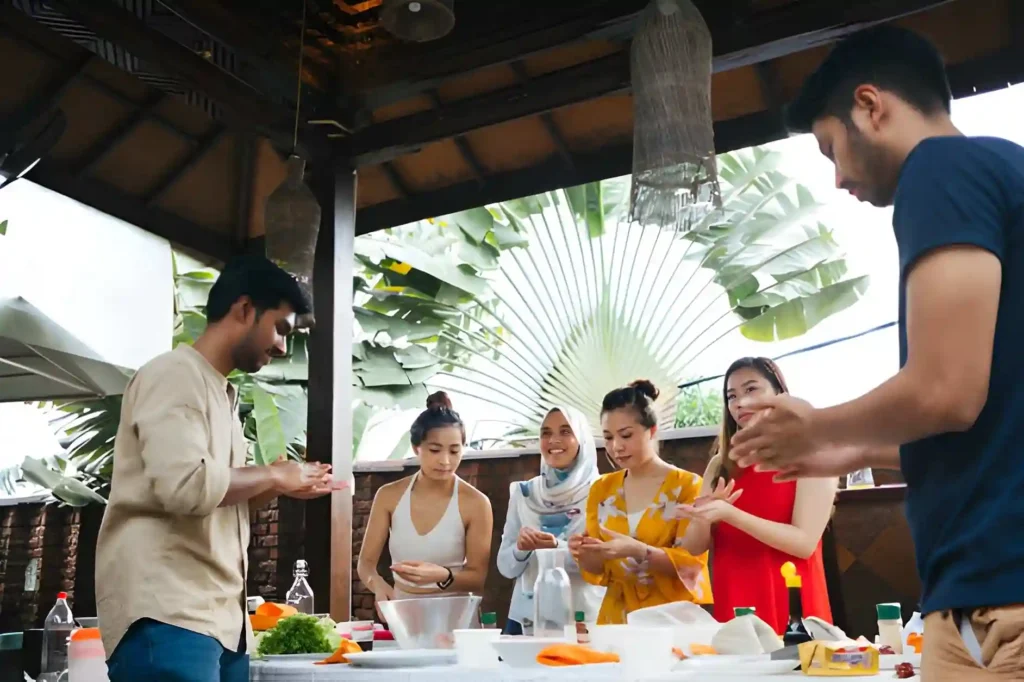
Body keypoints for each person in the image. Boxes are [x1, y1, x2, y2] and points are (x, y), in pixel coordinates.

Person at [727, 25, 1024, 679]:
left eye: (832, 148)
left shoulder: (942, 169)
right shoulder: (1004, 167)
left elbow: (946, 389)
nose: (836, 179)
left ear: (871, 105)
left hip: (1001, 595)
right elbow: (992, 418)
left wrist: (822, 423)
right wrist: (855, 449)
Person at [96, 255, 337, 682]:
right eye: (280, 328)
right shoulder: (174, 374)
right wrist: (274, 475)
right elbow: (186, 486)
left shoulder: (220, 392)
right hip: (168, 614)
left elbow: (214, 496)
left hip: (218, 622)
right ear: (244, 309)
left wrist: (276, 485)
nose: (282, 346)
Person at [675, 358, 835, 635]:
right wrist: (702, 518)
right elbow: (693, 547)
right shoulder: (720, 464)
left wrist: (730, 514)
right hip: (736, 606)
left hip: (793, 603)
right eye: (731, 396)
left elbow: (804, 543)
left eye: (751, 390)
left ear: (780, 395)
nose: (739, 402)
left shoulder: (814, 455)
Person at [569, 380, 711, 624]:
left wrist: (639, 551)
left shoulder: (688, 486)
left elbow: (691, 565)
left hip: (670, 620)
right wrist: (583, 553)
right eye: (608, 437)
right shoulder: (601, 489)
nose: (616, 447)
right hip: (617, 620)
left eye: (626, 435)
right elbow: (597, 570)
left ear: (652, 430)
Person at [357, 392, 493, 619]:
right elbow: (366, 564)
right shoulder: (389, 496)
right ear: (416, 448)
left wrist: (442, 575)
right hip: (404, 615)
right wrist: (379, 587)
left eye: (454, 450)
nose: (445, 461)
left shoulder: (476, 503)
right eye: (435, 450)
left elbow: (478, 578)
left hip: (455, 617)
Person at [497, 405, 604, 635]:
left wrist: (556, 549)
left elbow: (604, 563)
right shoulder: (525, 493)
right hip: (525, 620)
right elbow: (506, 567)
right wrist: (520, 549)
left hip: (583, 620)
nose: (554, 440)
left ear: (582, 439)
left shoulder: (603, 492)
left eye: (566, 432)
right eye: (546, 433)